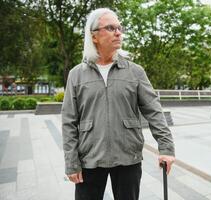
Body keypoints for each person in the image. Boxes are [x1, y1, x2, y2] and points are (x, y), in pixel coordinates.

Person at [61, 8, 175, 200]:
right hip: (89, 159)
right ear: (94, 36)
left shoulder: (135, 72)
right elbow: (69, 121)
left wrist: (166, 148)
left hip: (127, 157)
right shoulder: (76, 74)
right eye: (111, 27)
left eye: (119, 28)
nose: (118, 32)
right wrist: (71, 163)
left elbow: (154, 110)